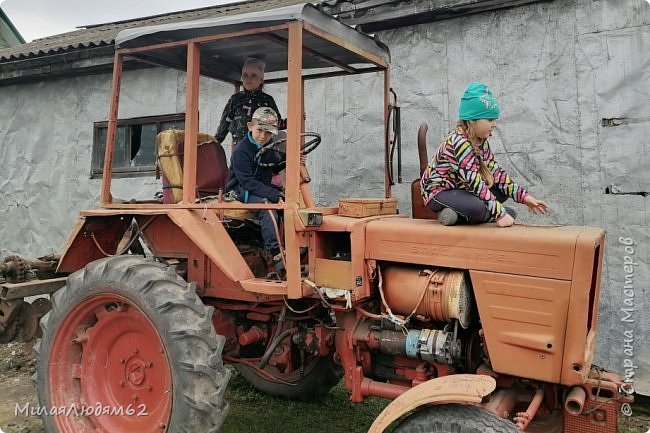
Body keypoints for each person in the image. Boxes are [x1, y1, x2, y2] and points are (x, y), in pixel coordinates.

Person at [420, 82, 549, 227]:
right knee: (476, 207)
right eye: (490, 120)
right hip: (439, 193)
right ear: (472, 120)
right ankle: (480, 215)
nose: (494, 124)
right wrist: (500, 214)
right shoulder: (458, 142)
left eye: (495, 120)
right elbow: (474, 182)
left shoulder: (481, 141)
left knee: (502, 189)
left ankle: (463, 215)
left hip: (461, 189)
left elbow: (497, 173)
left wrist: (525, 197)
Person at [226, 107, 286, 277]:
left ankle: (296, 248)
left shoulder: (267, 149)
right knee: (267, 207)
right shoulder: (241, 151)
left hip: (259, 188)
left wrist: (292, 160)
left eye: (268, 133)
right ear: (250, 126)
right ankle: (276, 254)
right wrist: (273, 195)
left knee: (290, 202)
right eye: (260, 130)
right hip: (240, 191)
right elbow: (247, 182)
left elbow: (273, 167)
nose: (262, 136)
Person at [214, 57, 286, 146]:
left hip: (262, 147)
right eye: (245, 75)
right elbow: (224, 124)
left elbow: (276, 124)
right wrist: (214, 144)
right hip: (240, 147)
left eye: (254, 75)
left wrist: (295, 119)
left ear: (261, 80)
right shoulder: (235, 99)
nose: (249, 79)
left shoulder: (267, 100)